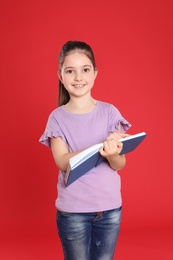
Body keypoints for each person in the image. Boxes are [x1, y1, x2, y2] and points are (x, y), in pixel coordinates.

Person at [39, 40, 131, 260]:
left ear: (95, 73)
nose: (78, 77)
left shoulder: (110, 112)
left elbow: (120, 163)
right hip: (73, 212)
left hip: (110, 210)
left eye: (85, 70)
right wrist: (100, 146)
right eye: (70, 71)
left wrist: (113, 154)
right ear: (61, 76)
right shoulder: (57, 118)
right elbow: (62, 162)